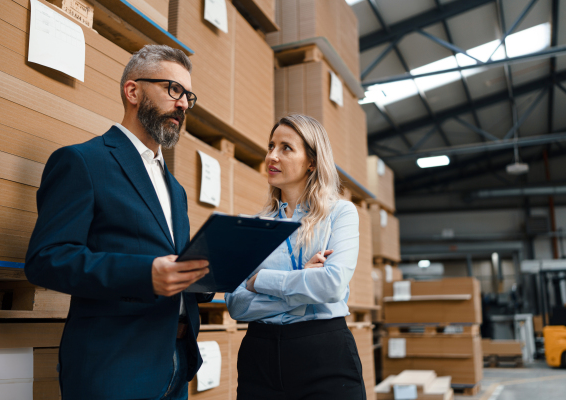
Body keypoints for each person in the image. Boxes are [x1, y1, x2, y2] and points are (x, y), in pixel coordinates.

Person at [25, 45, 214, 400]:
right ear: (133, 91)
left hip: (175, 364)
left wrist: (205, 276)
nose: (183, 104)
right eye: (173, 90)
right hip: (114, 366)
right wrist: (146, 275)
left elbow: (172, 263)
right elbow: (46, 260)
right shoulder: (82, 162)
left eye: (188, 96)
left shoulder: (176, 190)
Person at [225, 114, 366, 399]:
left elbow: (332, 285)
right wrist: (303, 284)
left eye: (286, 148)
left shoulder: (340, 213)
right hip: (259, 357)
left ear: (312, 161)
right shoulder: (253, 226)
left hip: (325, 354)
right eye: (270, 146)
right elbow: (236, 305)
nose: (272, 156)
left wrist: (260, 280)